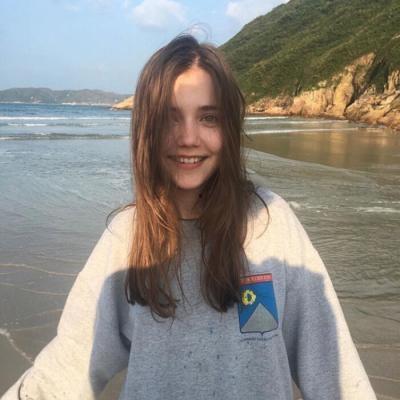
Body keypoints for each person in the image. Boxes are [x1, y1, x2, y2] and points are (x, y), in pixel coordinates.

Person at [2, 34, 376, 400]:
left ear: (228, 129)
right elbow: (72, 361)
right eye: (170, 119)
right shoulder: (127, 236)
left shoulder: (270, 223)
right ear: (147, 130)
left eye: (208, 118)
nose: (188, 137)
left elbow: (333, 365)